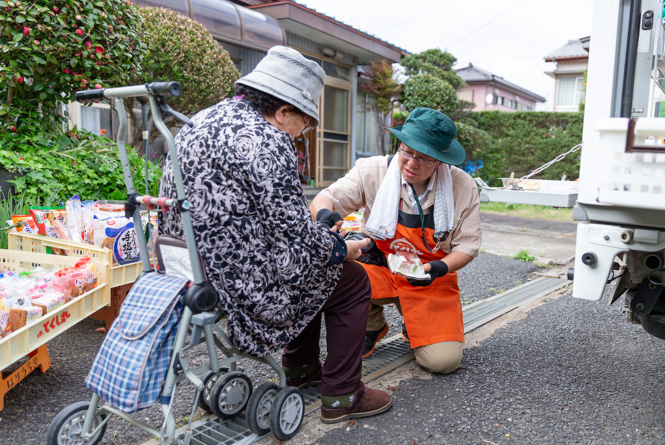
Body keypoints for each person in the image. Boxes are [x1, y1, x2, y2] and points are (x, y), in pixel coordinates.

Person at [158, 46, 392, 424]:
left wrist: (316, 235)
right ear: (283, 111)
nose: (305, 132)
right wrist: (342, 248)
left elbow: (263, 218)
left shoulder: (198, 122)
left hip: (190, 272)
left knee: (317, 268)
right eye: (306, 121)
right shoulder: (268, 140)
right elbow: (293, 242)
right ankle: (343, 395)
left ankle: (300, 368)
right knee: (349, 280)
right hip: (242, 287)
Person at [310, 107, 481, 375]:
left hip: (430, 277)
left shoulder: (462, 187)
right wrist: (324, 213)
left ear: (440, 160)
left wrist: (439, 269)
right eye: (407, 151)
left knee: (442, 363)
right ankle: (372, 324)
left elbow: (467, 247)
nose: (411, 164)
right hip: (381, 266)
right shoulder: (373, 170)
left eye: (424, 158)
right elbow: (326, 197)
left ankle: (415, 323)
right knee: (336, 268)